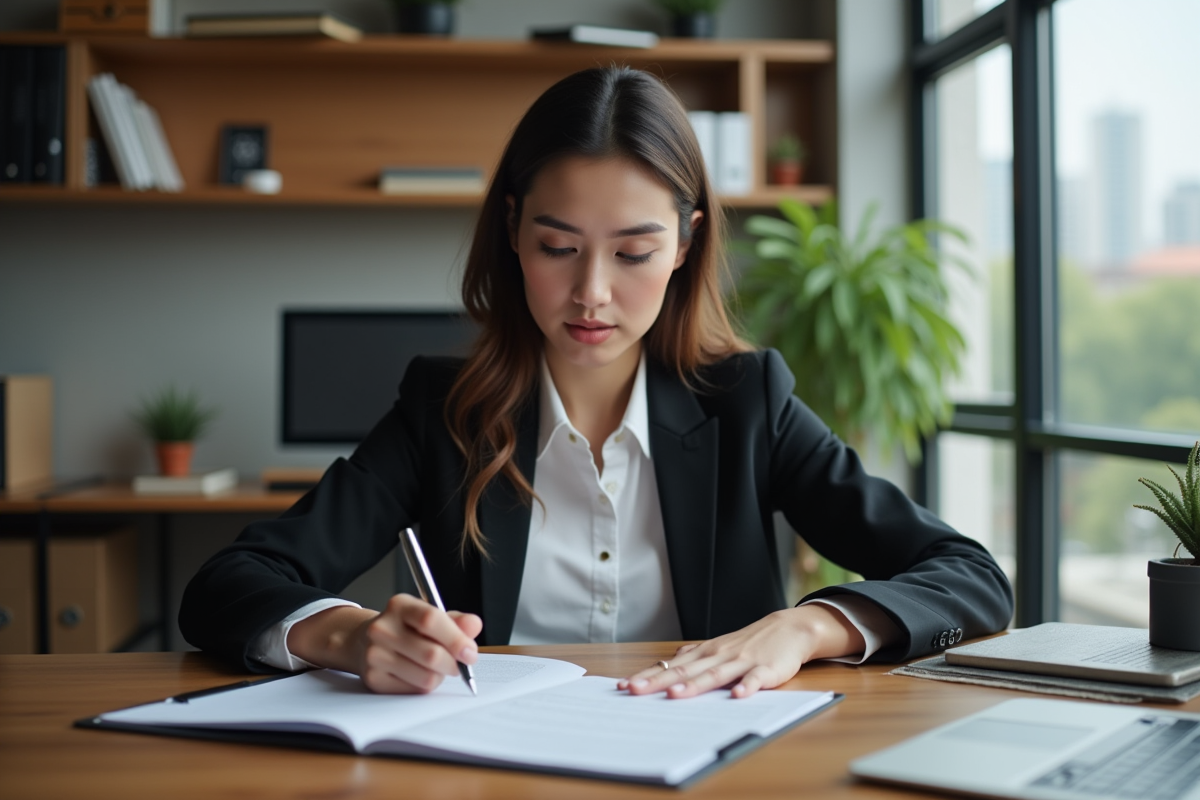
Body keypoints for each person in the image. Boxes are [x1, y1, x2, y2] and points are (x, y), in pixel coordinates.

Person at [180, 66, 1012, 699]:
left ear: (685, 245)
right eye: (558, 247)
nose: (592, 293)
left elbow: (970, 578)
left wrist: (806, 626)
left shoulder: (747, 402)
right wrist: (352, 636)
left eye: (634, 252)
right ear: (513, 231)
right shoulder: (443, 410)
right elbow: (226, 587)